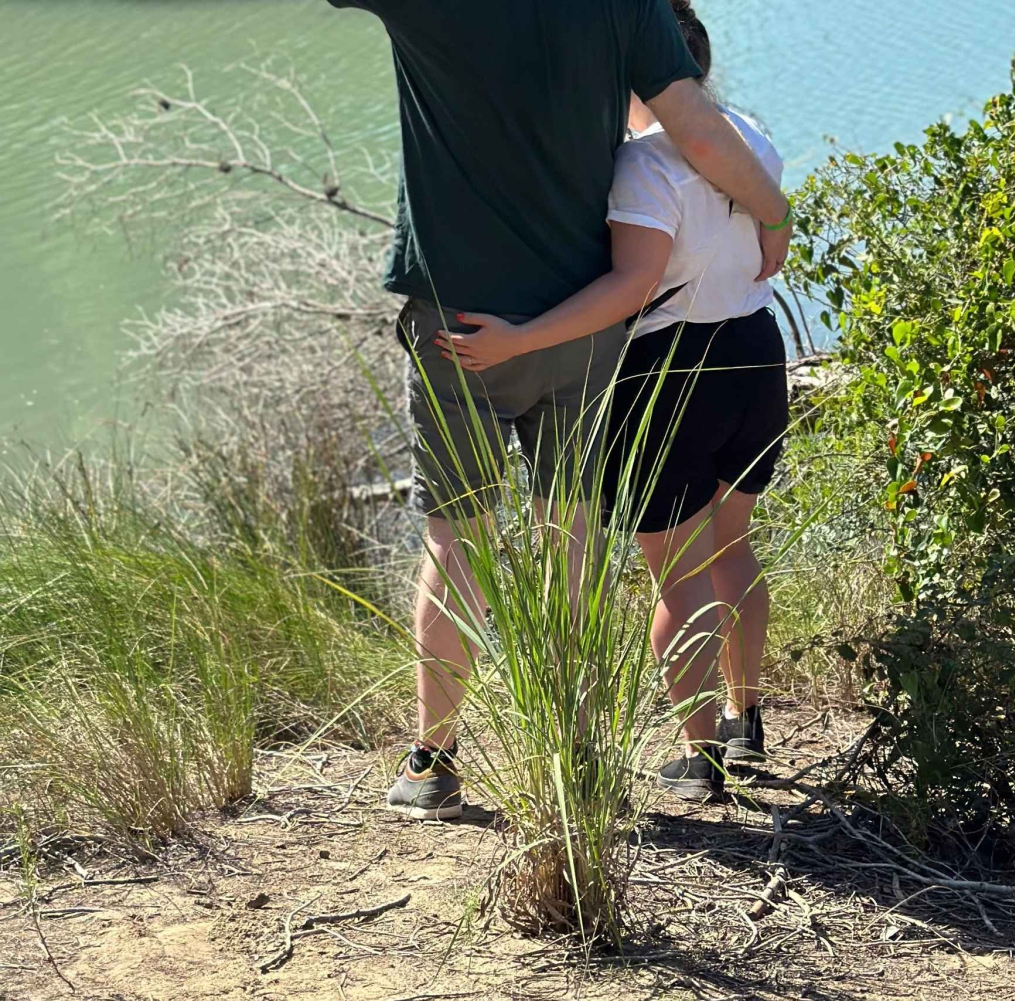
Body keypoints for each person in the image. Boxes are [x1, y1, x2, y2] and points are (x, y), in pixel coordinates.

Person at [326, 0, 794, 820]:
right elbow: (698, 129)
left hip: (459, 326)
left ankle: (433, 760)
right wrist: (776, 214)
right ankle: (569, 745)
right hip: (585, 325)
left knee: (457, 536)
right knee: (569, 533)